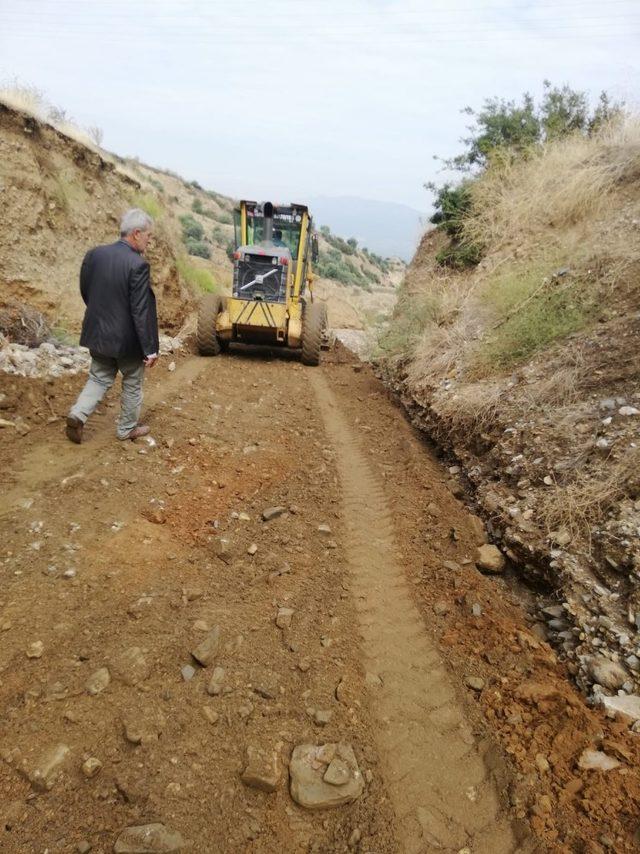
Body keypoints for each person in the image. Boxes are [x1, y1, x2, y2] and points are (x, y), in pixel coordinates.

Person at [65, 208, 159, 444]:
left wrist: (100, 314)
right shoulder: (137, 265)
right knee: (132, 382)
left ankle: (78, 414)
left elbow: (86, 290)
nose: (150, 240)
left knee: (98, 377)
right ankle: (126, 429)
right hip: (126, 342)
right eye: (149, 235)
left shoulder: (94, 255)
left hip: (97, 334)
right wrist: (149, 348)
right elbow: (140, 309)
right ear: (136, 233)